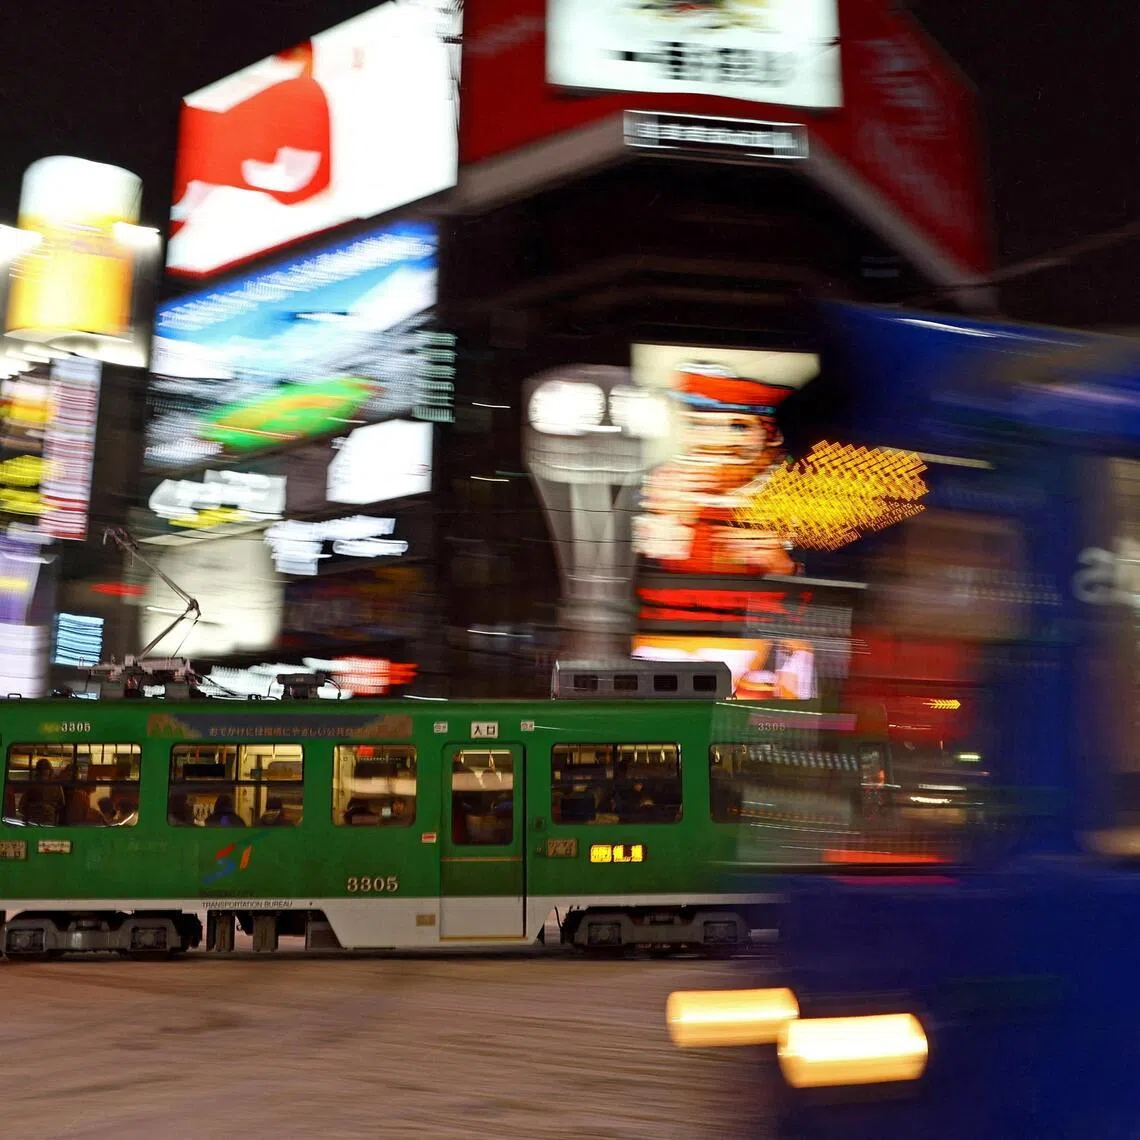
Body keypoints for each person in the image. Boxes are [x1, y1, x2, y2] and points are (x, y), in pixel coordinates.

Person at [634, 362, 798, 576]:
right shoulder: (663, 483)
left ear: (769, 434)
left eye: (738, 426)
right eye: (697, 424)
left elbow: (834, 578)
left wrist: (781, 565)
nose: (713, 438)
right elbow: (635, 571)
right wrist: (670, 525)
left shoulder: (793, 487)